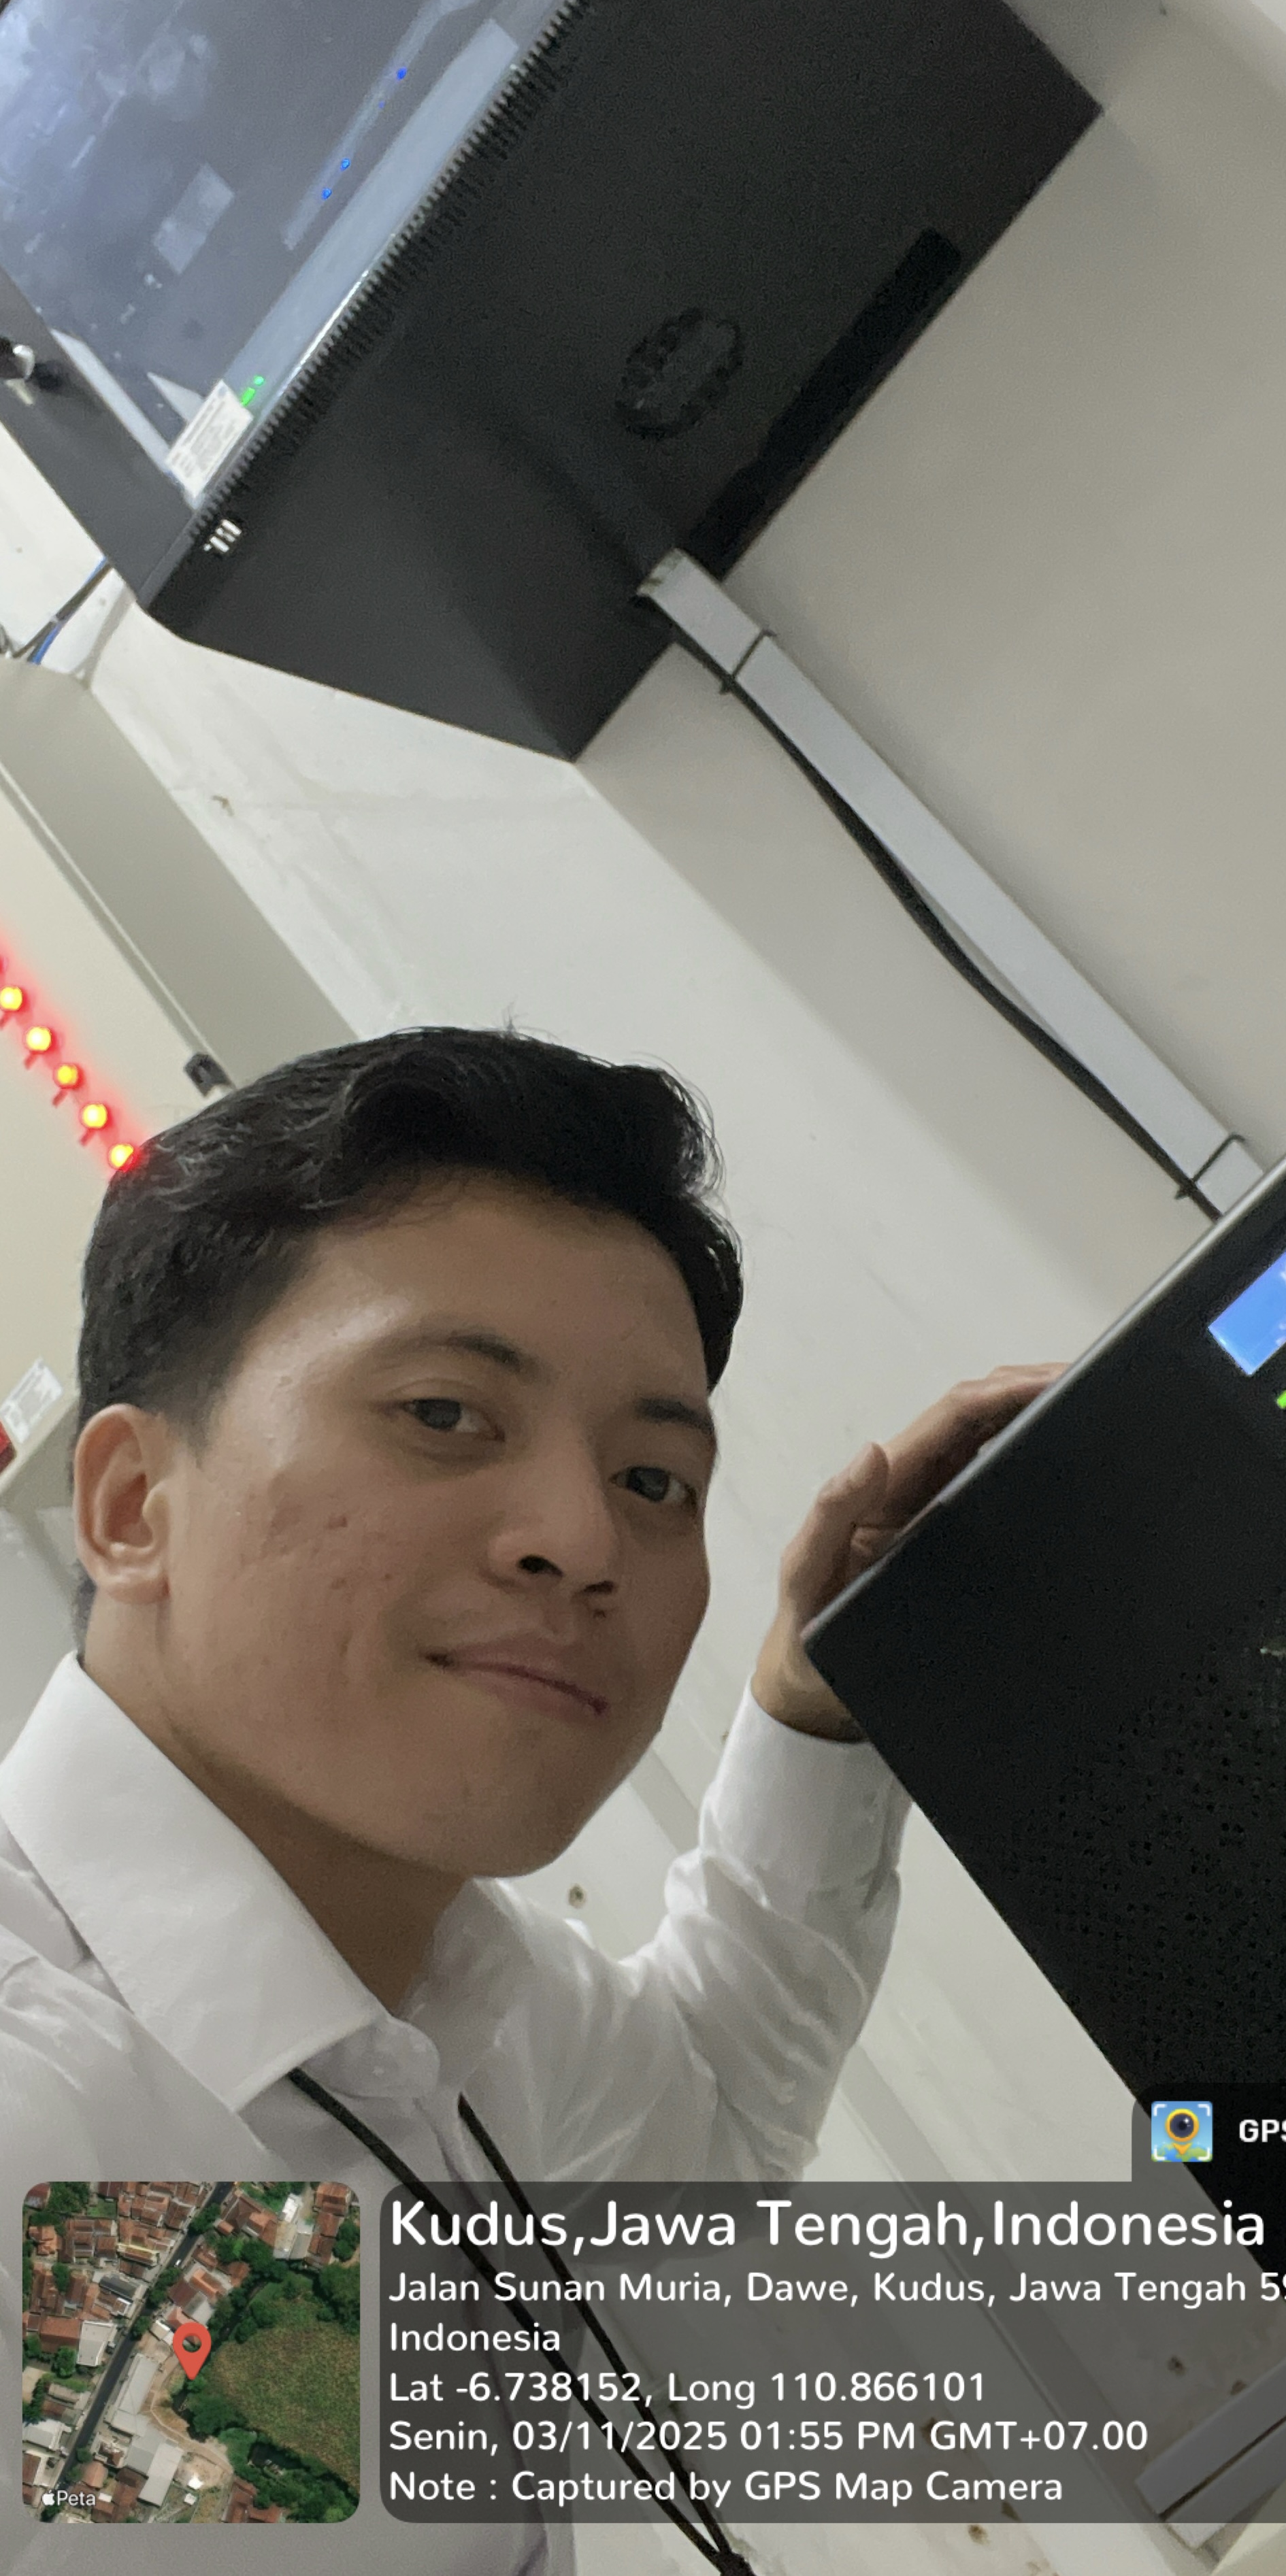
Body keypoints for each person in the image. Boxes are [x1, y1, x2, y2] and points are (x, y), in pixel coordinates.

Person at [0, 1027, 1057, 2570]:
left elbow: (701, 2135)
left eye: (652, 1480)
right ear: (129, 1505)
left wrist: (818, 1704)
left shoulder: (448, 1994)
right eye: (443, 1414)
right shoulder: (46, 2118)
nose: (583, 1536)